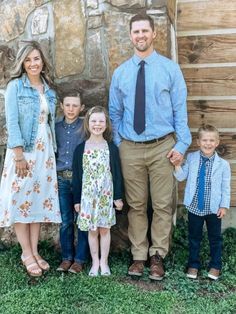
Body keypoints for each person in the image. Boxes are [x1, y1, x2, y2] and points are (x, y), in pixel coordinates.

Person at [109, 13, 192, 280]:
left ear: (154, 34)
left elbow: (180, 111)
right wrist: (121, 144)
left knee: (162, 205)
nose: (141, 36)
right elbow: (115, 113)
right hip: (130, 148)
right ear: (130, 36)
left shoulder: (170, 69)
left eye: (145, 31)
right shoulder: (120, 73)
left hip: (162, 147)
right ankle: (138, 256)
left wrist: (181, 143)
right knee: (135, 205)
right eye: (136, 32)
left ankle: (157, 255)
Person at [0, 41, 61, 277]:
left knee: (37, 200)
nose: (33, 63)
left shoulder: (50, 90)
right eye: (28, 60)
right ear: (22, 64)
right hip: (24, 152)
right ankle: (25, 252)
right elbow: (12, 122)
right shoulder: (15, 87)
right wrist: (18, 156)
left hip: (44, 153)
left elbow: (49, 124)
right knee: (20, 200)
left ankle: (35, 251)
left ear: (42, 61)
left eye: (36, 59)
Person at [174, 125, 231, 280]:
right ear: (198, 142)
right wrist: (177, 165)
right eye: (204, 140)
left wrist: (224, 206)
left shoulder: (223, 165)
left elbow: (226, 187)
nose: (208, 143)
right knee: (194, 237)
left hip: (213, 209)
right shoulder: (192, 158)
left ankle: (215, 265)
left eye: (212, 140)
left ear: (217, 142)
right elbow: (181, 177)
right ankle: (193, 265)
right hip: (194, 207)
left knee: (215, 238)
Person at [72, 106, 123, 276]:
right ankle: (94, 263)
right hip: (88, 197)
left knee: (104, 230)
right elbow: (77, 177)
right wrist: (77, 201)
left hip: (105, 197)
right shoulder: (81, 149)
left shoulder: (111, 148)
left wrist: (117, 197)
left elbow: (116, 174)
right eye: (94, 121)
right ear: (88, 123)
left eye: (101, 121)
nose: (97, 124)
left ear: (106, 124)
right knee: (92, 231)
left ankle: (104, 262)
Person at [55, 90, 90, 274]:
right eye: (67, 105)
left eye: (75, 105)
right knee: (66, 221)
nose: (71, 109)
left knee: (82, 220)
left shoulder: (85, 128)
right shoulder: (55, 127)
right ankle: (67, 257)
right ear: (61, 106)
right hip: (61, 180)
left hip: (80, 180)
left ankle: (80, 259)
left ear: (81, 107)